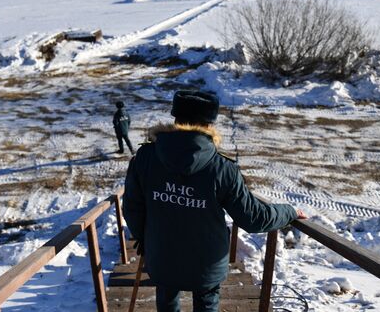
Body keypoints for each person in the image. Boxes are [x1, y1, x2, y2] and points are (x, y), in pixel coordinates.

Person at [123, 90, 307, 312]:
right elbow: (253, 218)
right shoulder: (223, 169)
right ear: (210, 124)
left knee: (166, 297)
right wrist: (289, 211)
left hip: (162, 256)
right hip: (206, 263)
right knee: (207, 303)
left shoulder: (145, 157)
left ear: (175, 117)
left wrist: (145, 238)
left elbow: (132, 208)